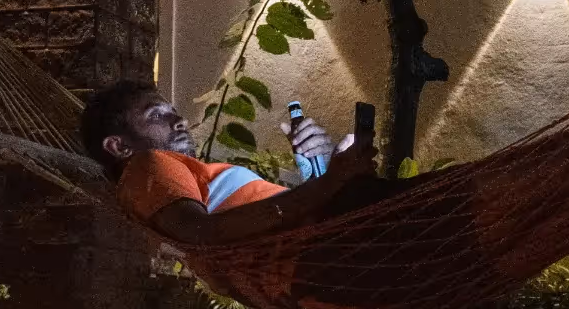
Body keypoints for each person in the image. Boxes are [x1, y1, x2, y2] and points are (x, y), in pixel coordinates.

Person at [79, 80, 369, 249]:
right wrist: (326, 186)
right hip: (332, 250)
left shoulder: (183, 180)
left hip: (335, 244)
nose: (180, 121)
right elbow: (201, 232)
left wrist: (320, 170)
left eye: (174, 112)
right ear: (119, 146)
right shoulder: (146, 165)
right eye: (156, 115)